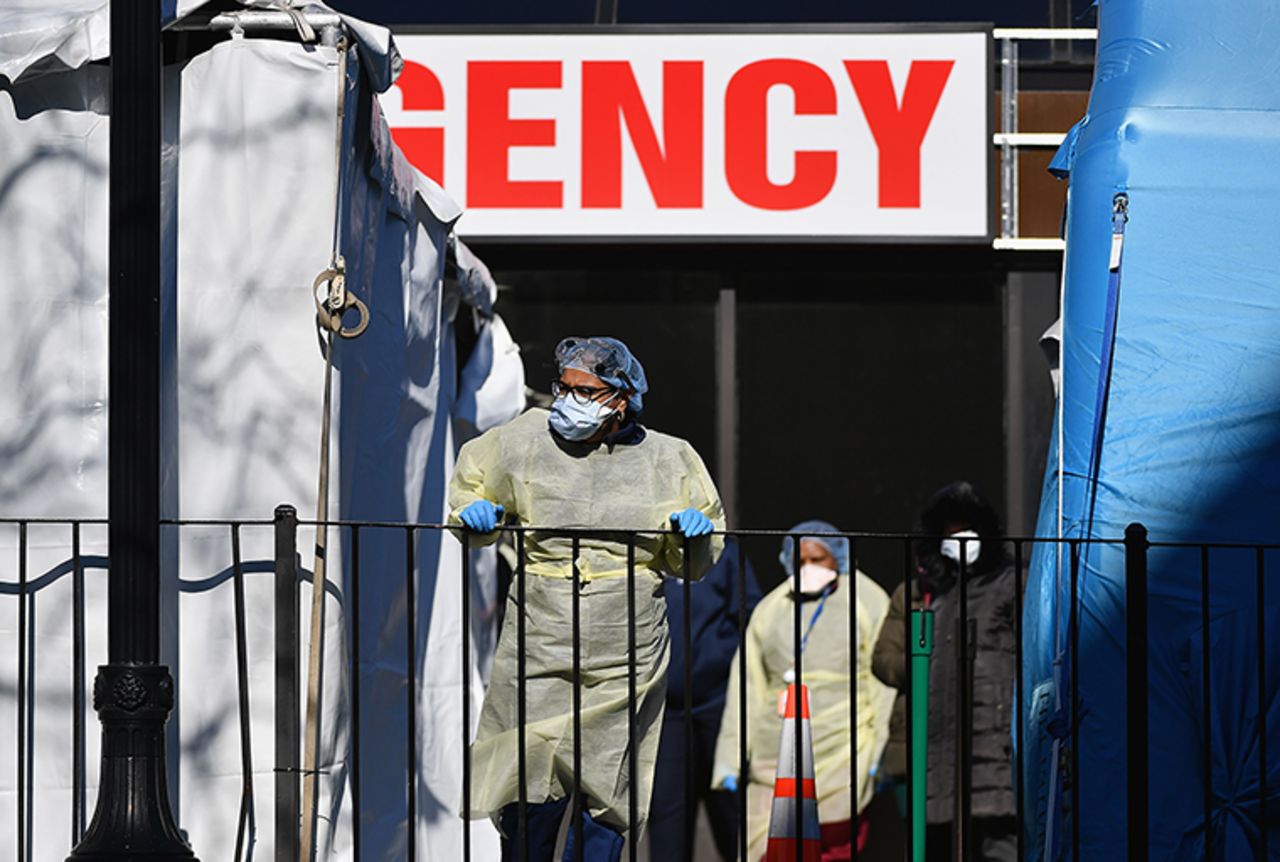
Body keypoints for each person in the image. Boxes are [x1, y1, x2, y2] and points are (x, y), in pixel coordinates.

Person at [449, 336, 725, 862]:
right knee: (527, 788)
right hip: (540, 638)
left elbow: (696, 551)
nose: (568, 400)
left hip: (627, 646)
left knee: (608, 792)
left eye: (586, 391)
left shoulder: (670, 458)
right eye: (564, 388)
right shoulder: (523, 439)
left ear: (622, 398)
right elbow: (471, 489)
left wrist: (693, 535)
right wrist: (475, 514)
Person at [711, 521, 896, 862]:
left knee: (833, 850)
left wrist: (879, 752)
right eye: (799, 561)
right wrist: (729, 759)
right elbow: (748, 685)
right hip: (774, 757)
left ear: (838, 559)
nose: (807, 568)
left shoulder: (867, 601)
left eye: (818, 558)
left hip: (844, 753)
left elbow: (882, 685)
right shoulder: (772, 609)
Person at [871, 481, 1018, 862]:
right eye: (949, 533)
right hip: (938, 743)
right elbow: (882, 658)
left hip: (995, 742)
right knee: (938, 843)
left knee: (999, 843)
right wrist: (922, 664)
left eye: (966, 529)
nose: (959, 539)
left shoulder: (1012, 582)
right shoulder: (929, 593)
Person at [648, 538, 762, 862]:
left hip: (719, 703)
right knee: (668, 816)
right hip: (665, 710)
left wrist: (724, 660)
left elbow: (751, 615)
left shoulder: (724, 550)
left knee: (731, 813)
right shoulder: (651, 547)